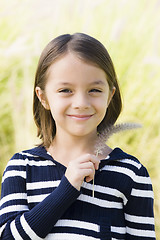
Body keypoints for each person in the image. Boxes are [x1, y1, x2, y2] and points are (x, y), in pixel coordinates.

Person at [0, 33, 156, 239]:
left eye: (94, 90)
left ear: (110, 95)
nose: (81, 102)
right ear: (43, 97)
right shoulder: (22, 167)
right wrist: (67, 188)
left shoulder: (131, 173)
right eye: (65, 90)